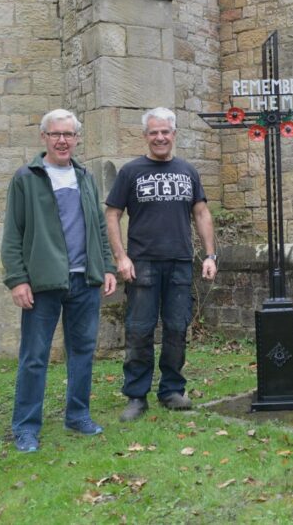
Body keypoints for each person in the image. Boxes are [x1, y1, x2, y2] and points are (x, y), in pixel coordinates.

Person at [1, 109, 117, 453]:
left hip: (85, 281)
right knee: (34, 357)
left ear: (77, 138)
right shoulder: (26, 178)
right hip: (43, 284)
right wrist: (17, 280)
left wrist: (107, 267)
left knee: (82, 352)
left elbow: (99, 227)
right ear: (44, 138)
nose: (62, 140)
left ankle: (78, 415)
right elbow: (13, 234)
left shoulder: (85, 177)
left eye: (68, 134)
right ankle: (26, 428)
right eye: (55, 134)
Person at [105, 107, 218, 423]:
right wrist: (121, 257)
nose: (159, 137)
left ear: (174, 134)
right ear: (145, 136)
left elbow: (201, 213)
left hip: (180, 262)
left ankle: (171, 390)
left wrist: (210, 256)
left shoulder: (187, 171)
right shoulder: (131, 172)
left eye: (165, 131)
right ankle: (136, 396)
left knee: (176, 328)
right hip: (142, 264)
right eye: (153, 132)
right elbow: (112, 214)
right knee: (139, 330)